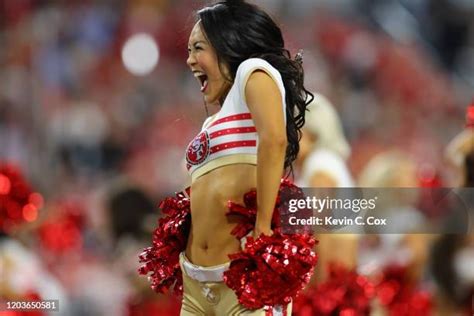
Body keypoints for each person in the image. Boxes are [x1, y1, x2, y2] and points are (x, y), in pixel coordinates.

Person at [139, 1, 315, 315]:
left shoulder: (252, 71)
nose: (190, 59)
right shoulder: (213, 121)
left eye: (198, 48)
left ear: (228, 42)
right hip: (196, 283)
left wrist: (263, 227)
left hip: (243, 282)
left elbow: (274, 141)